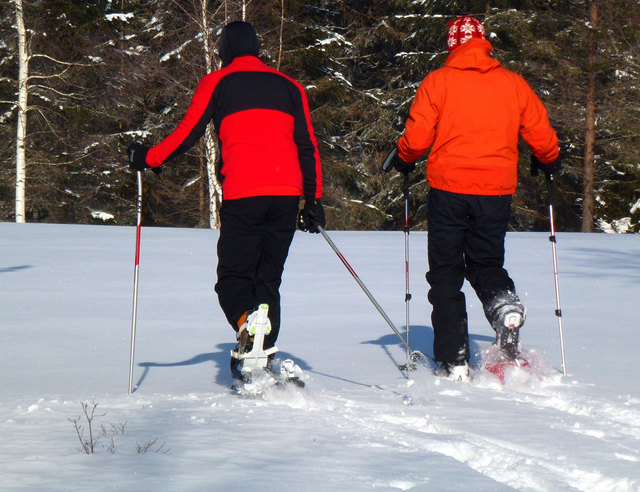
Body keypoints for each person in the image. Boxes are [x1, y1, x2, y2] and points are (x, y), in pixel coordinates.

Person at [127, 21, 325, 381]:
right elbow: (307, 145)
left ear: (223, 51)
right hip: (285, 195)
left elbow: (188, 131)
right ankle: (259, 355)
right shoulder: (290, 86)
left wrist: (150, 157)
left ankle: (248, 327)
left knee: (232, 278)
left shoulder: (217, 82)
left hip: (245, 192)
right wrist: (312, 200)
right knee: (267, 280)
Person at [389, 15, 561, 381]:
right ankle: (502, 304)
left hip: (449, 190)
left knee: (446, 274)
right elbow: (542, 134)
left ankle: (454, 361)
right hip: (495, 192)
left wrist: (403, 157)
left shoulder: (438, 82)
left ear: (453, 44)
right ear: (484, 42)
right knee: (485, 263)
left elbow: (417, 138)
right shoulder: (512, 84)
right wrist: (550, 159)